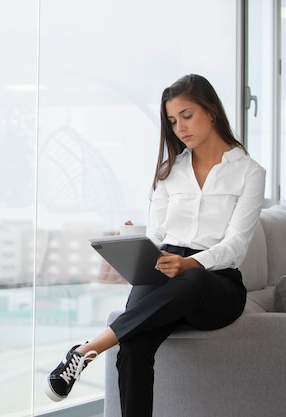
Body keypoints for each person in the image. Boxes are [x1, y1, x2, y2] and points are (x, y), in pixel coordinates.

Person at [44, 74, 266, 417]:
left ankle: (87, 350)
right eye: (173, 121)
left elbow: (236, 244)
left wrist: (191, 264)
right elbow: (162, 235)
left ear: (211, 111)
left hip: (216, 283)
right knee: (133, 347)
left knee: (192, 278)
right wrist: (137, 238)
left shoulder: (250, 172)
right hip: (165, 267)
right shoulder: (169, 170)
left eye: (187, 116)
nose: (180, 128)